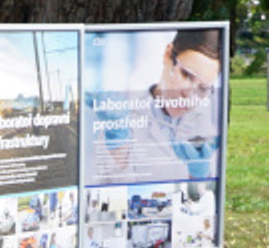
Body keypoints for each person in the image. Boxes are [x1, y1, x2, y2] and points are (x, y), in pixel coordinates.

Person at [85, 27, 224, 183]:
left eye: (203, 88)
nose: (189, 95)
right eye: (186, 75)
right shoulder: (122, 115)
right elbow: (102, 183)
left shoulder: (209, 124)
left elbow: (209, 191)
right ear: (168, 55)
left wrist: (199, 174)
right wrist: (119, 146)